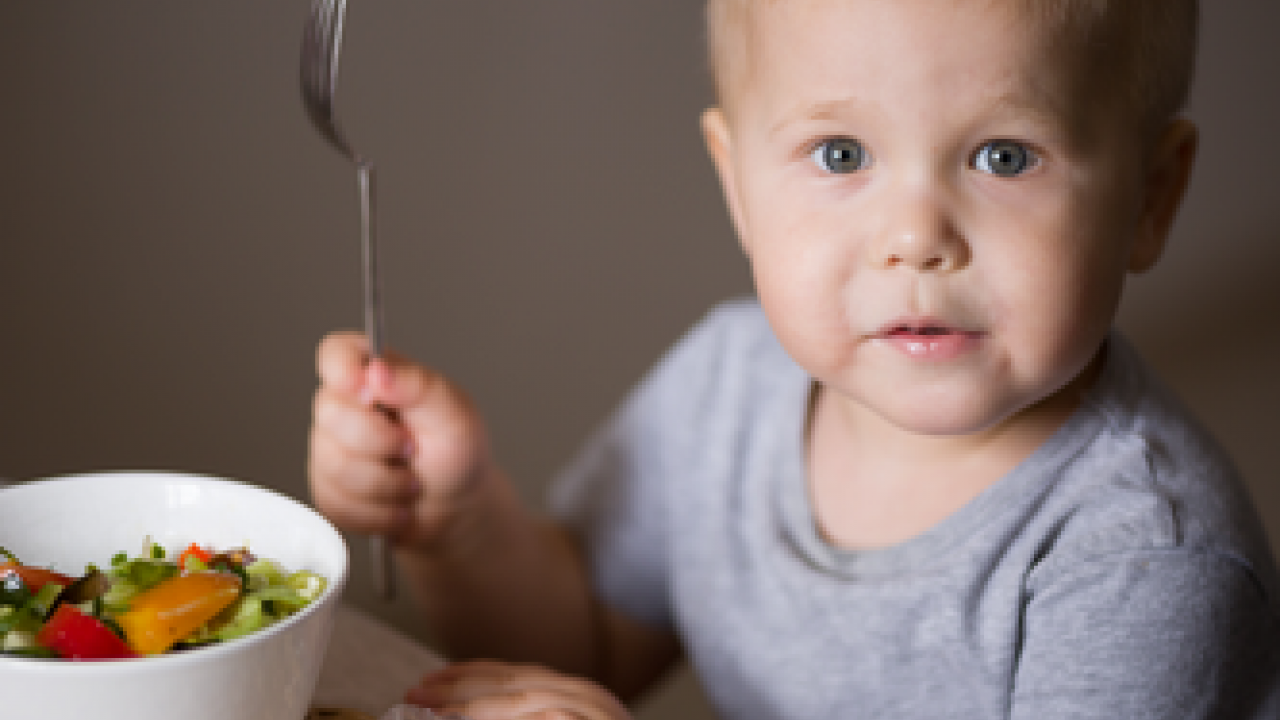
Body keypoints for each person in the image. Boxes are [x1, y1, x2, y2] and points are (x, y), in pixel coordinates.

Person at [308, 0, 1280, 718]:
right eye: (841, 154)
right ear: (736, 187)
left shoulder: (1145, 561)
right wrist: (455, 521)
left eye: (1003, 157)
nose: (912, 237)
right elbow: (576, 648)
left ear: (1148, 198)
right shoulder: (724, 392)